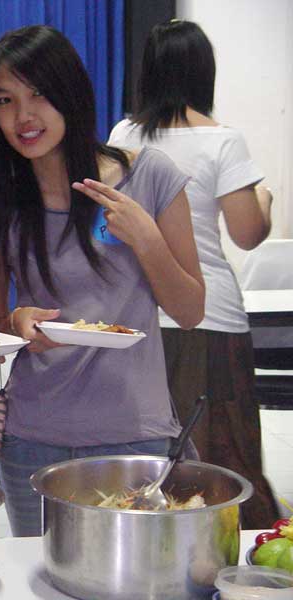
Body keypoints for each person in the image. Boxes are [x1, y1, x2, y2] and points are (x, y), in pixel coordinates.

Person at [0, 25, 206, 536]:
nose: (23, 116)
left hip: (135, 435)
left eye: (39, 94)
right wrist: (15, 320)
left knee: (139, 574)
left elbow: (190, 311)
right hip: (31, 438)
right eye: (6, 100)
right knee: (39, 573)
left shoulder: (149, 176)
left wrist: (147, 239)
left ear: (71, 93)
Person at [108, 19, 278, 527]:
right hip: (210, 318)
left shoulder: (123, 135)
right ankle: (240, 550)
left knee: (146, 456)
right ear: (205, 73)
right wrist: (265, 199)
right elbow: (247, 233)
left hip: (138, 313)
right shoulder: (223, 141)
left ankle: (151, 543)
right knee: (225, 457)